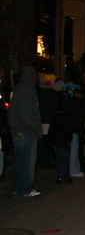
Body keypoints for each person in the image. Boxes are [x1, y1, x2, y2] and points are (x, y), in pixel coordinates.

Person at [8, 66, 42, 197]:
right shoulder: (26, 90)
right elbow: (26, 114)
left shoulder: (18, 89)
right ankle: (24, 189)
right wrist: (35, 129)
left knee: (21, 160)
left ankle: (19, 188)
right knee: (27, 161)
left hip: (19, 130)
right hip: (26, 131)